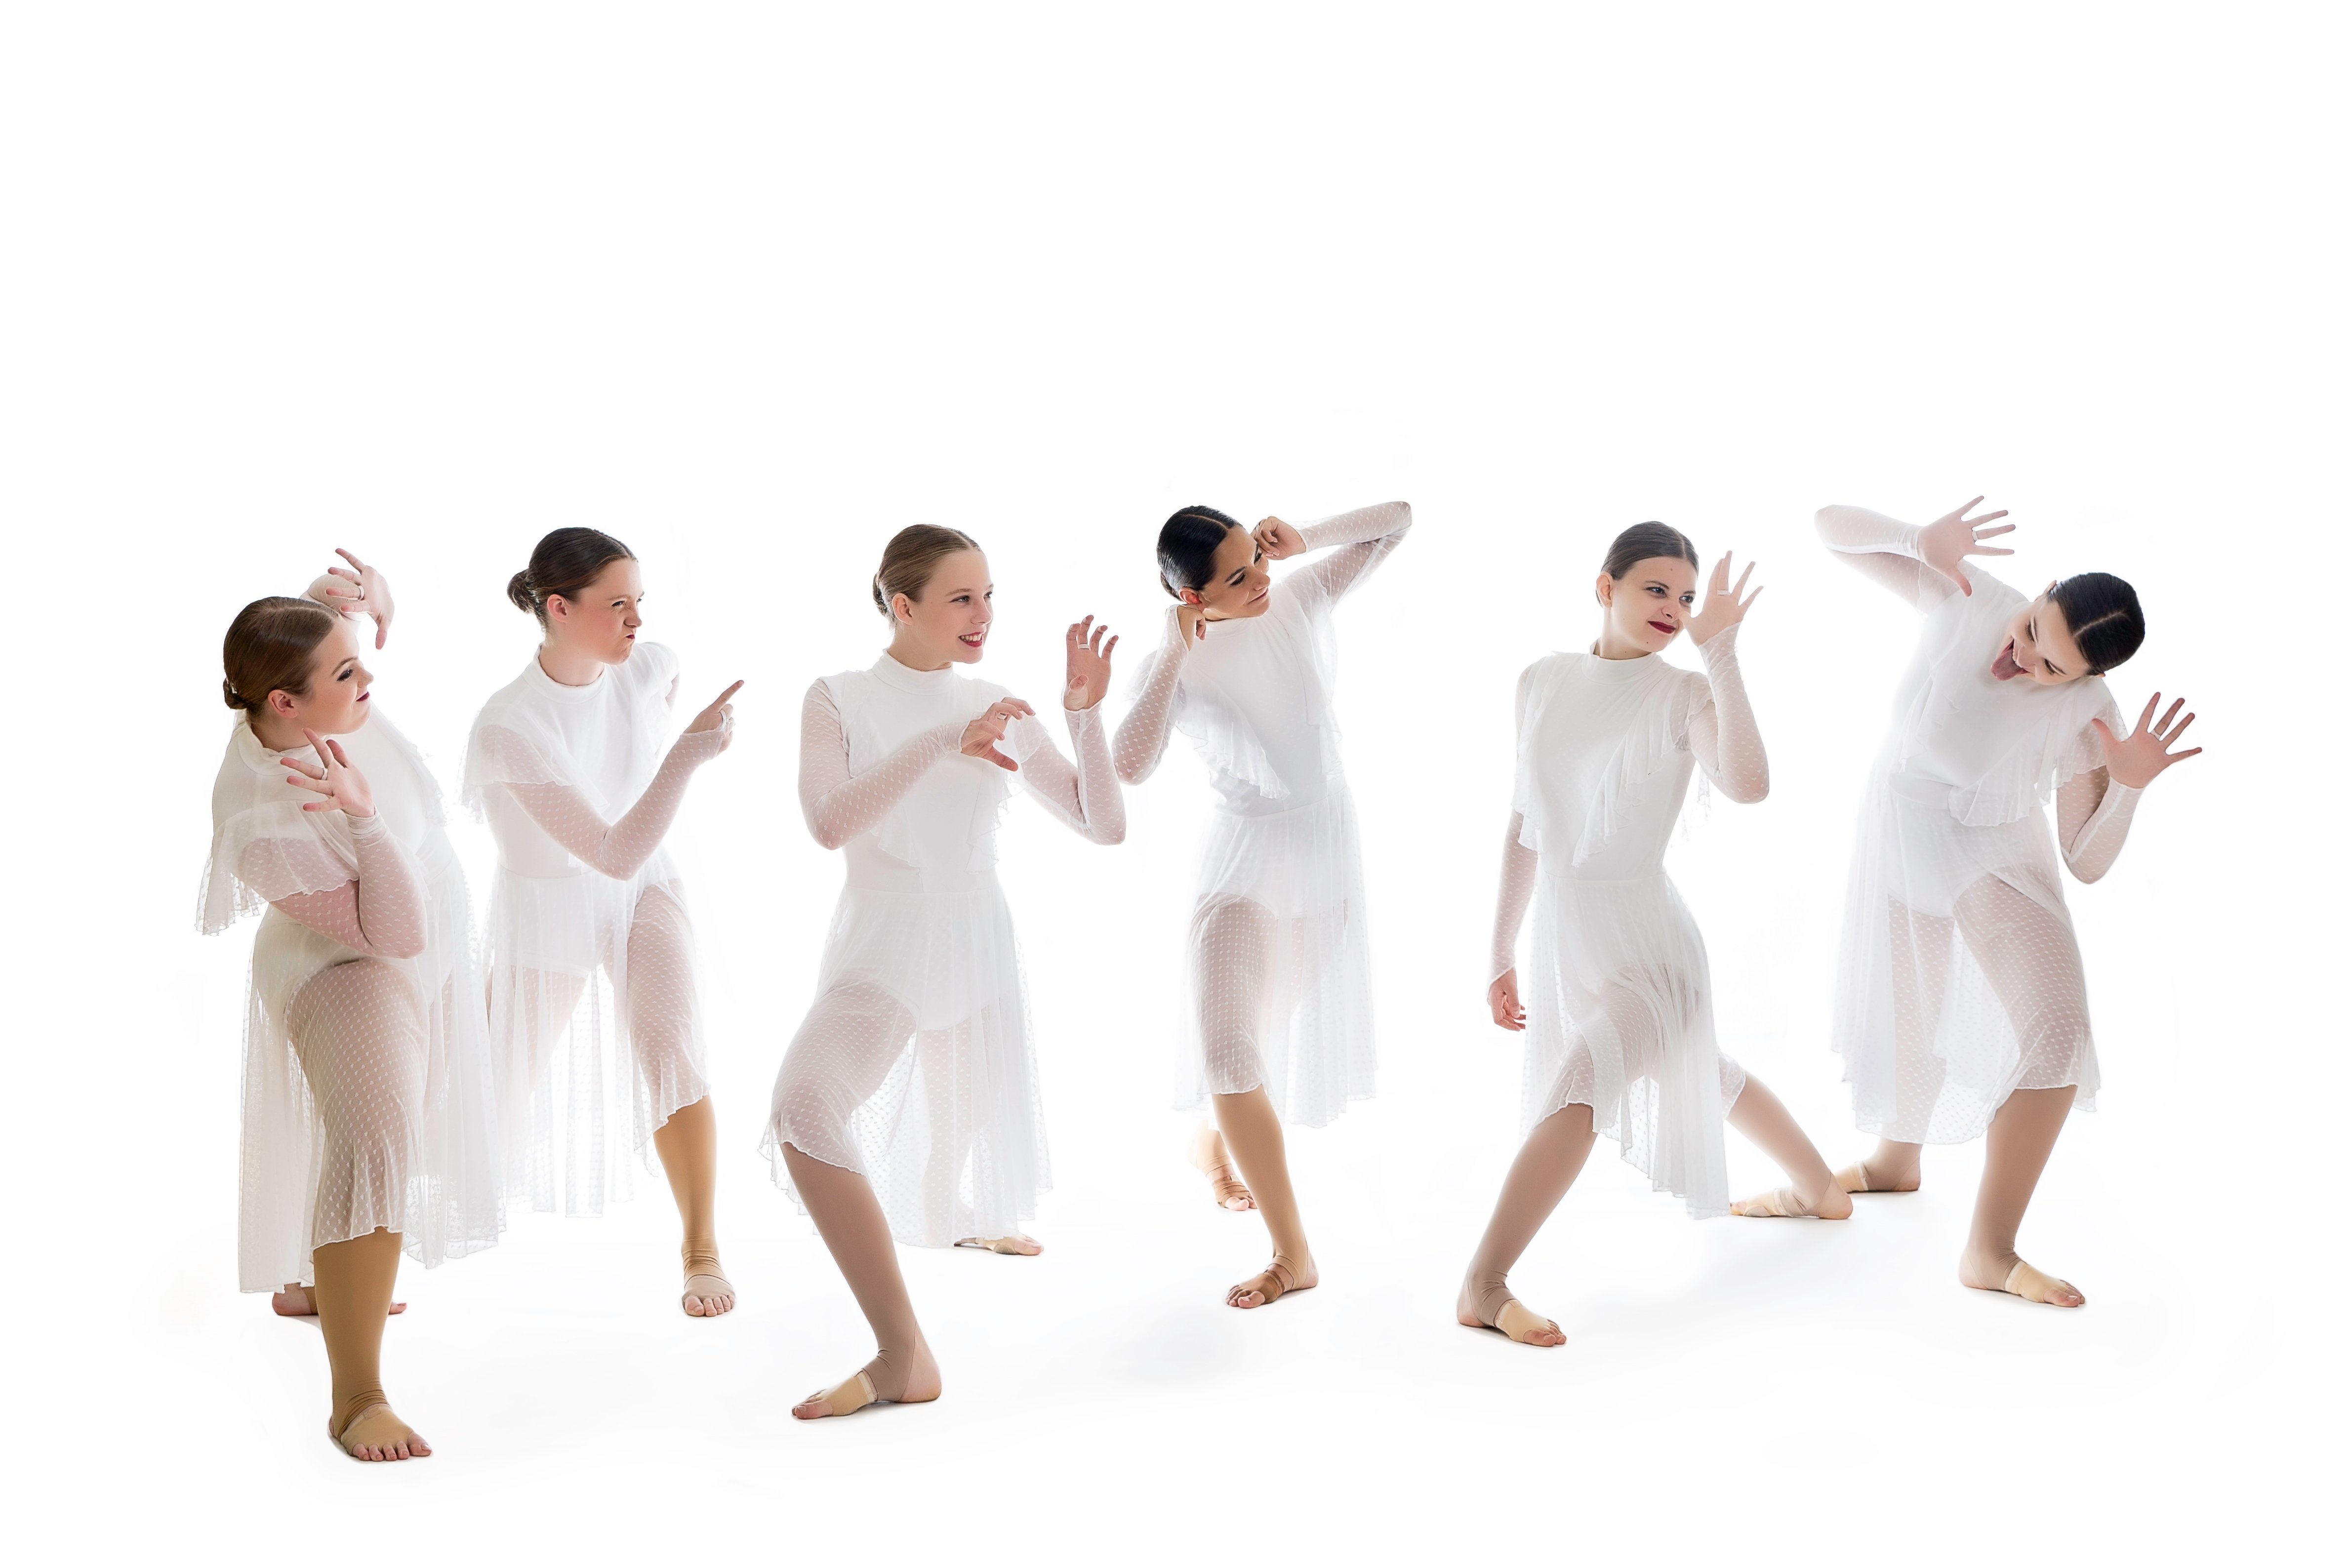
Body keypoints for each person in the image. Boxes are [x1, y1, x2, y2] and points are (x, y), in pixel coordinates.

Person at [1464, 524, 1851, 1347]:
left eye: (1684, 596)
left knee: (1580, 1083)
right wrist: (1499, 952)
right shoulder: (1538, 680)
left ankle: (1483, 1283)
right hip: (1570, 942)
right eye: (1655, 590)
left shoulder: (1683, 694)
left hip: (1650, 948)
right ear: (1603, 587)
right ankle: (1822, 1190)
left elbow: (1748, 785)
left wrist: (1721, 655)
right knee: (1698, 1067)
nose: (1673, 609)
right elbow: (1523, 825)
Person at [771, 525, 1123, 1418]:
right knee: (804, 1110)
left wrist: (1081, 714)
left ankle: (955, 1217)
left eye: (990, 595)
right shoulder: (837, 696)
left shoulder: (1000, 699)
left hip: (974, 947)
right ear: (903, 605)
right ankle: (902, 1353)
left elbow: (1102, 824)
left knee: (946, 1166)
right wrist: (940, 745)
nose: (984, 615)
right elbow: (827, 823)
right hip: (886, 943)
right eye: (962, 598)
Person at [1816, 498, 2200, 1306]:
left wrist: (2126, 791)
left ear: (2086, 678)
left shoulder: (2089, 716)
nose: (2019, 658)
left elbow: (2084, 860)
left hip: (1990, 853)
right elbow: (1825, 526)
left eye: (2050, 666)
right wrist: (1914, 541)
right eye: (2032, 629)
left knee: (2057, 1037)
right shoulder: (1973, 598)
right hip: (1899, 828)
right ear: (2042, 590)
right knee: (1910, 1013)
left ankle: (1988, 1250)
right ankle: (1895, 1161)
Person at [201, 551, 500, 1458]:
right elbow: (390, 933)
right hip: (345, 961)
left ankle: (311, 1282)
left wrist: (375, 605)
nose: (367, 676)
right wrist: (364, 818)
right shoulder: (264, 826)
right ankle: (358, 1396)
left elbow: (333, 612)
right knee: (377, 1140)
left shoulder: (312, 690)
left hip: (425, 943)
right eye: (346, 672)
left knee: (400, 1120)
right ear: (284, 705)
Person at [1113, 501, 1410, 1308]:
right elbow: (1128, 766)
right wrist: (1171, 655)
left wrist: (1306, 538)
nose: (1261, 581)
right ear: (1192, 599)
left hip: (1323, 863)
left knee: (1264, 1034)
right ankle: (1291, 1254)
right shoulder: (1174, 660)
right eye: (1238, 576)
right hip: (1242, 868)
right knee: (1230, 1050)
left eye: (1257, 560)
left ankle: (1210, 1150)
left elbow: (1399, 521)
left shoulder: (1297, 598)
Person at [464, 528, 743, 1315]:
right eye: (617, 605)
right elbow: (607, 851)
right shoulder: (509, 726)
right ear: (559, 608)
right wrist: (685, 756)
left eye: (640, 602)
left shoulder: (649, 667)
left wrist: (667, 744)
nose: (636, 621)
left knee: (670, 1045)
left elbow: (631, 858)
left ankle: (701, 1249)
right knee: (487, 1082)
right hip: (553, 902)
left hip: (644, 885)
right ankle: (364, 1236)